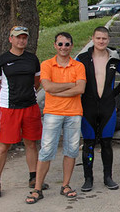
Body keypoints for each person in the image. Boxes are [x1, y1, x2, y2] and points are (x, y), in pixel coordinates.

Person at [25, 32, 86, 204]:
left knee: (71, 150)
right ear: (55, 45)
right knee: (46, 151)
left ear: (71, 46)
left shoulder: (78, 66)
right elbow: (48, 87)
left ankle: (65, 185)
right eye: (60, 44)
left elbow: (80, 89)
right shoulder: (47, 65)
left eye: (67, 44)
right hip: (53, 113)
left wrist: (59, 89)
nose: (63, 47)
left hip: (74, 113)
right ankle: (37, 188)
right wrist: (69, 85)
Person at [0, 26, 45, 198]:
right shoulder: (1, 60)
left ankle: (33, 177)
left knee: (31, 143)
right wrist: (7, 100)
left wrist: (26, 97)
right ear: (10, 39)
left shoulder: (32, 59)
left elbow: (37, 82)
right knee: (3, 145)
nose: (21, 41)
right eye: (18, 37)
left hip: (30, 107)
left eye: (24, 38)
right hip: (9, 109)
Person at [75, 26, 120, 191]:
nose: (101, 41)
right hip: (88, 106)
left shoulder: (115, 58)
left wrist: (113, 93)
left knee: (107, 142)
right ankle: (88, 178)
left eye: (104, 38)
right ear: (93, 39)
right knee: (88, 143)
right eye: (98, 38)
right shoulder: (82, 58)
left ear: (108, 40)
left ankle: (108, 177)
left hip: (108, 106)